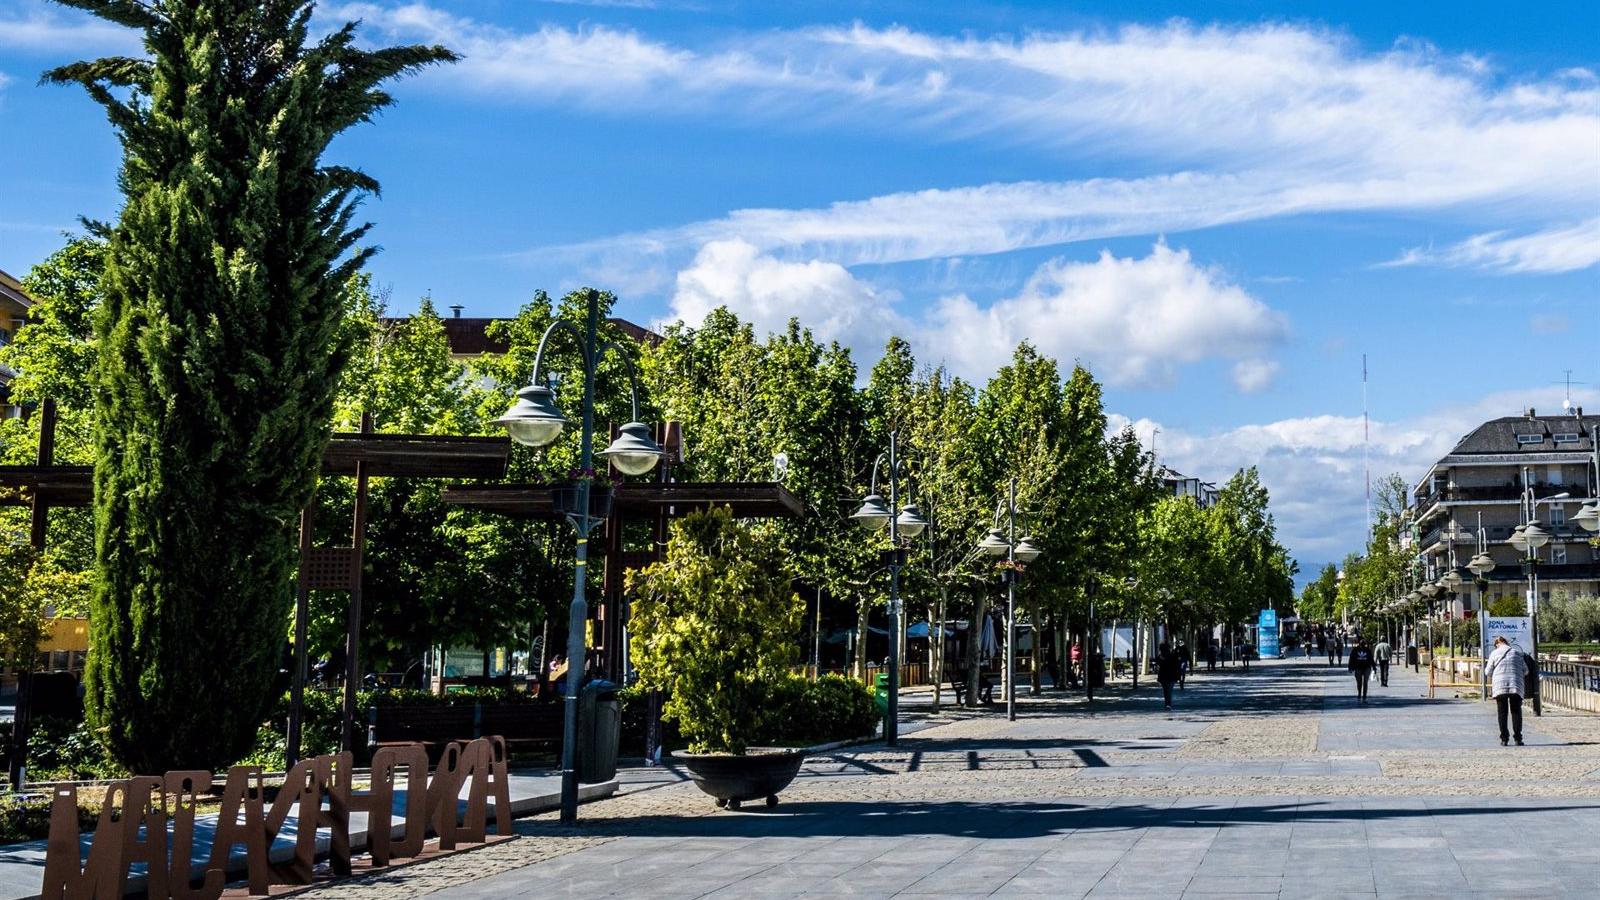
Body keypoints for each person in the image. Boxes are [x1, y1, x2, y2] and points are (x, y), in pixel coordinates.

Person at [1486, 636, 1527, 746]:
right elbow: (1526, 670)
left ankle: (1504, 738)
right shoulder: (1517, 653)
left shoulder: (1494, 654)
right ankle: (1518, 738)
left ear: (1497, 644)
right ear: (1507, 643)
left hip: (1500, 686)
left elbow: (1487, 671)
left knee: (1502, 712)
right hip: (1516, 685)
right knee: (1516, 711)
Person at [1347, 638, 1374, 703]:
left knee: (1365, 682)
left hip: (1366, 668)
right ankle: (1359, 693)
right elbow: (1351, 659)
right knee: (1359, 682)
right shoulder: (1355, 650)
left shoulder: (1367, 650)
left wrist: (1374, 667)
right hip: (1358, 668)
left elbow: (1371, 659)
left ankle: (1364, 695)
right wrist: (1350, 667)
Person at [1156, 643, 1181, 710]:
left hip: (1163, 676)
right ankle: (1168, 704)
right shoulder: (1173, 655)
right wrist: (1178, 675)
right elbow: (1177, 665)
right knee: (1169, 690)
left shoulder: (1161, 656)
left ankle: (1167, 704)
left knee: (1165, 690)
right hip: (1171, 676)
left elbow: (1158, 663)